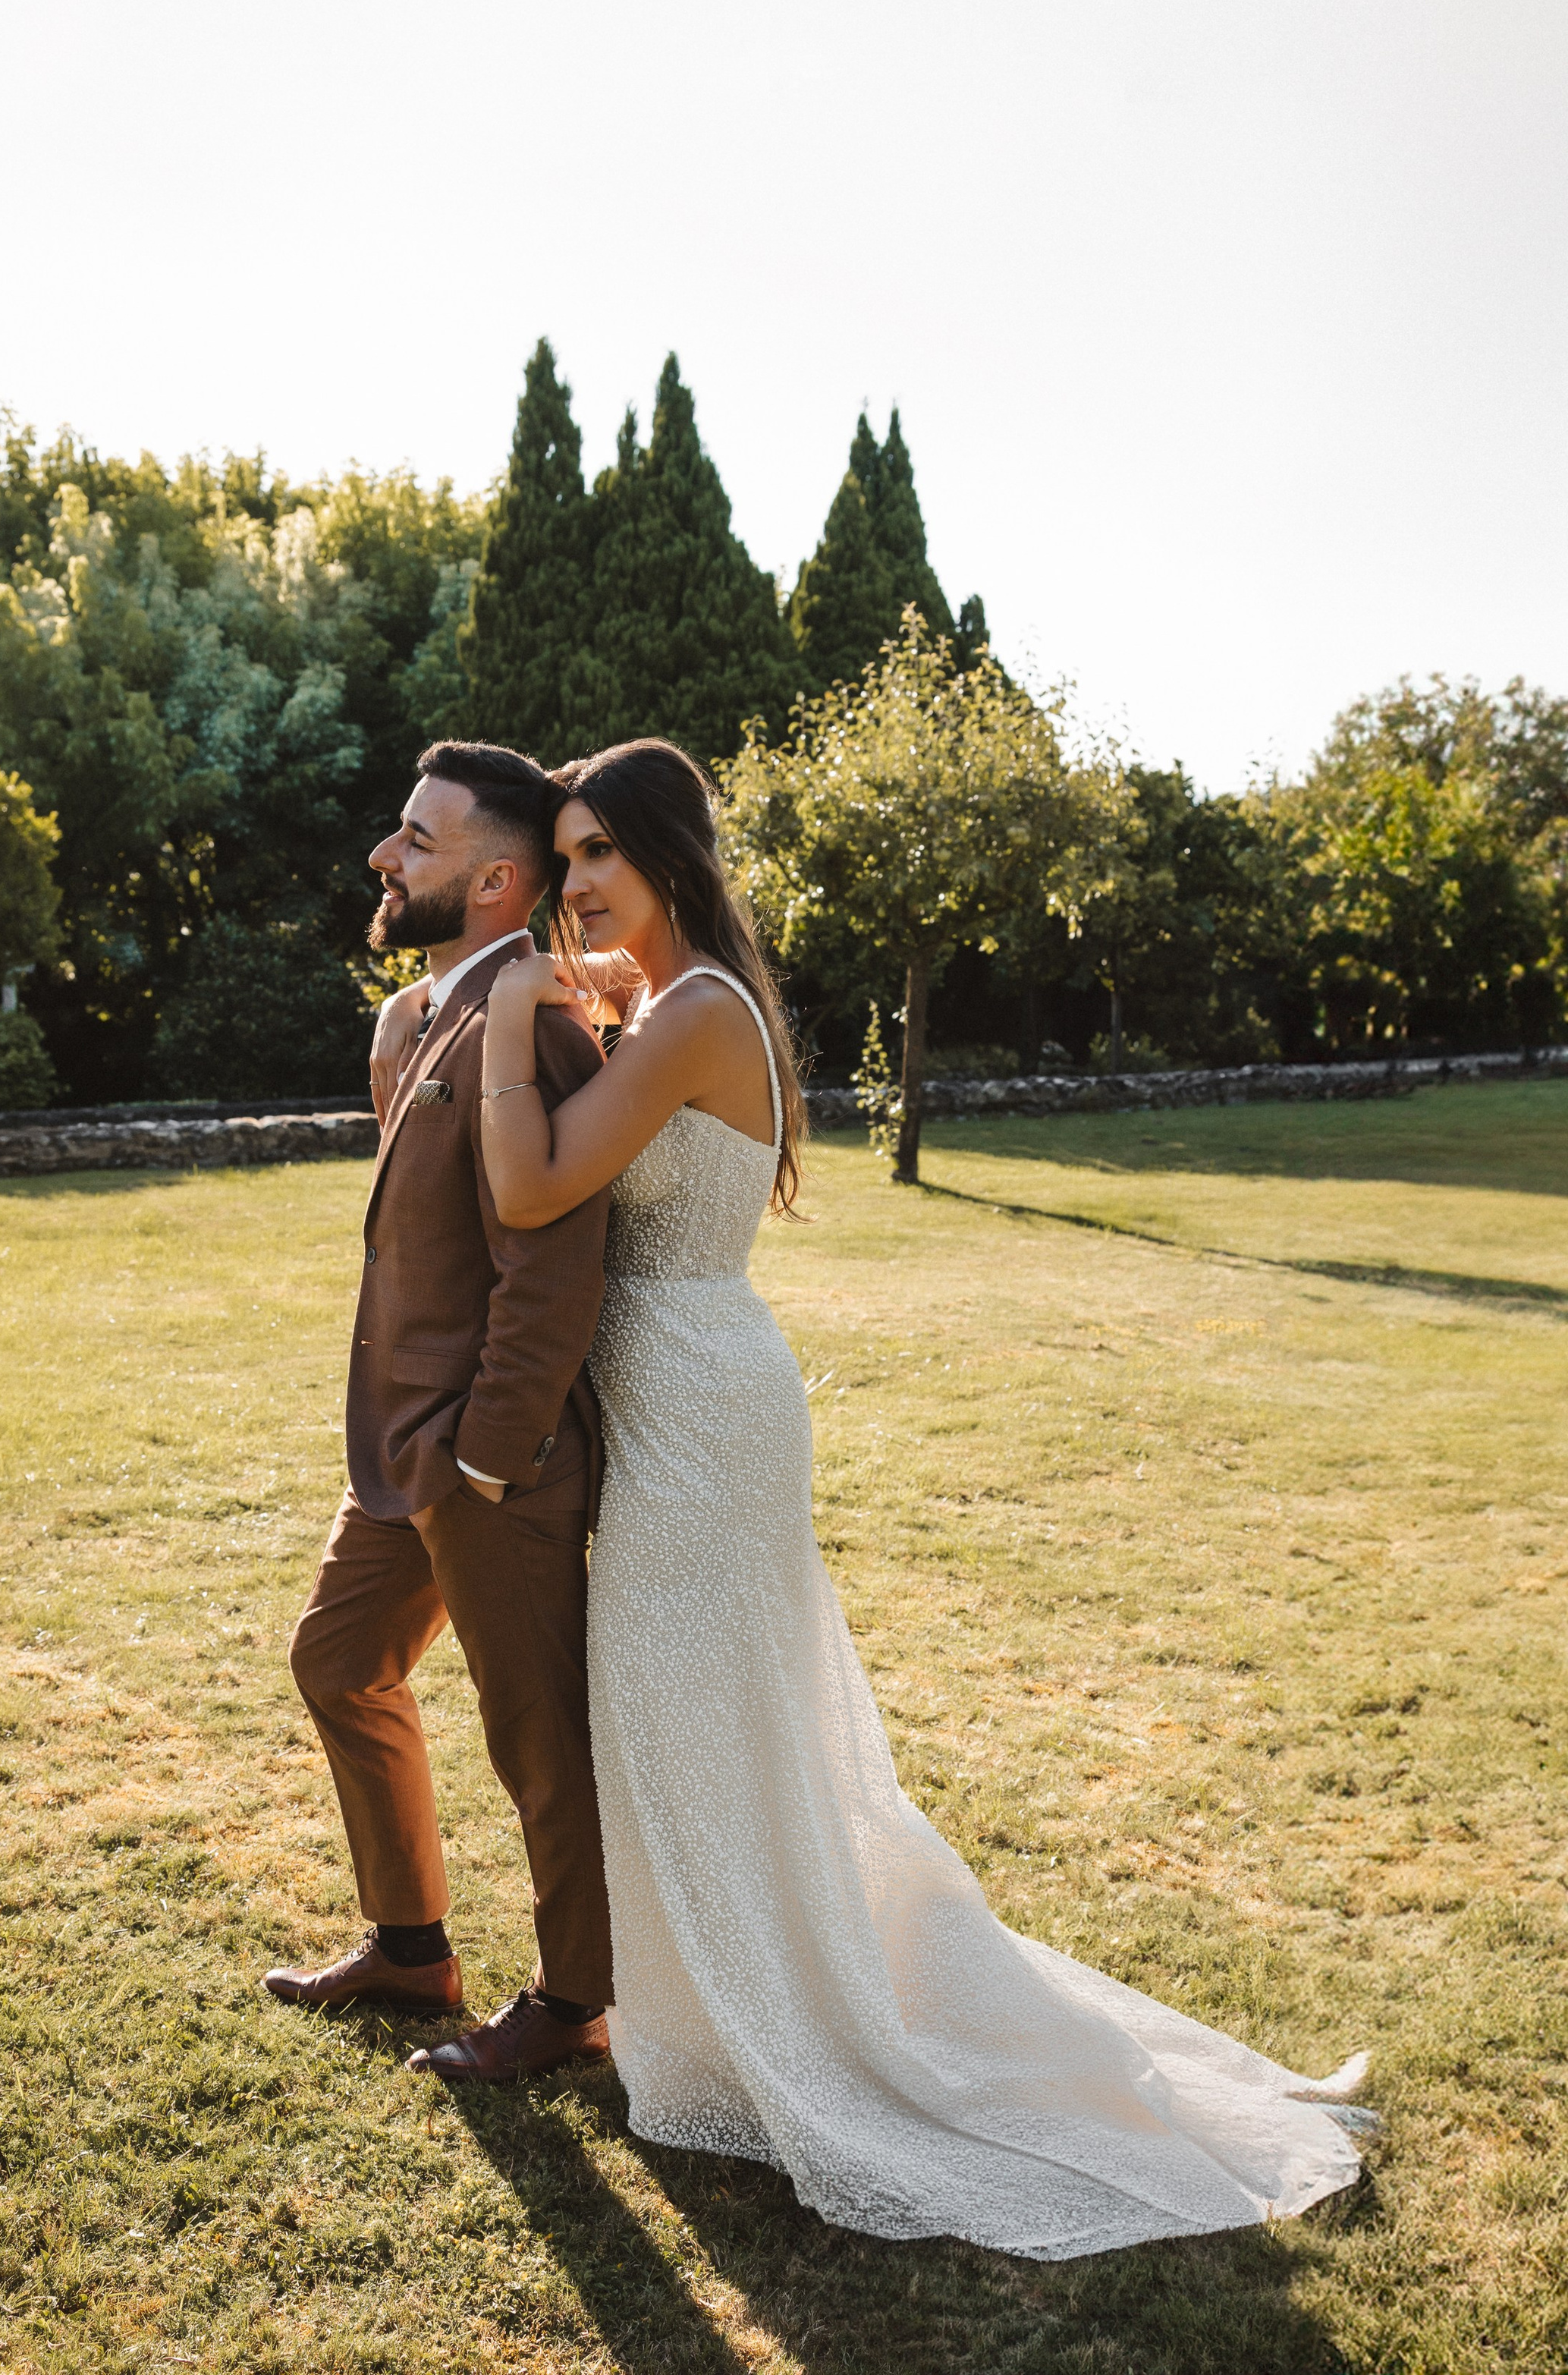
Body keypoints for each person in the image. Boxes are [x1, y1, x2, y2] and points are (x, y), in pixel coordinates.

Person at [453, 732, 1375, 2258]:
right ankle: (722, 2017)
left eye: (600, 852)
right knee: (694, 1726)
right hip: (687, 1394)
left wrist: (503, 1017)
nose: (576, 883)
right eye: (562, 860)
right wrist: (581, 992)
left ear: (670, 855)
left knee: (689, 1722)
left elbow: (533, 1182)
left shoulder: (694, 1010)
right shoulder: (678, 1002)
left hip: (698, 1412)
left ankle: (787, 2029)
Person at [259, 740, 617, 2086]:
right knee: (337, 1661)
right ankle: (411, 1948)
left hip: (490, 1458)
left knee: (539, 1738)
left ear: (497, 882)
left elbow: (551, 1267)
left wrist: (491, 1453)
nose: (383, 854)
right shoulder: (414, 1019)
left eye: (417, 838)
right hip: (398, 1450)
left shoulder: (545, 1032)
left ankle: (577, 2006)